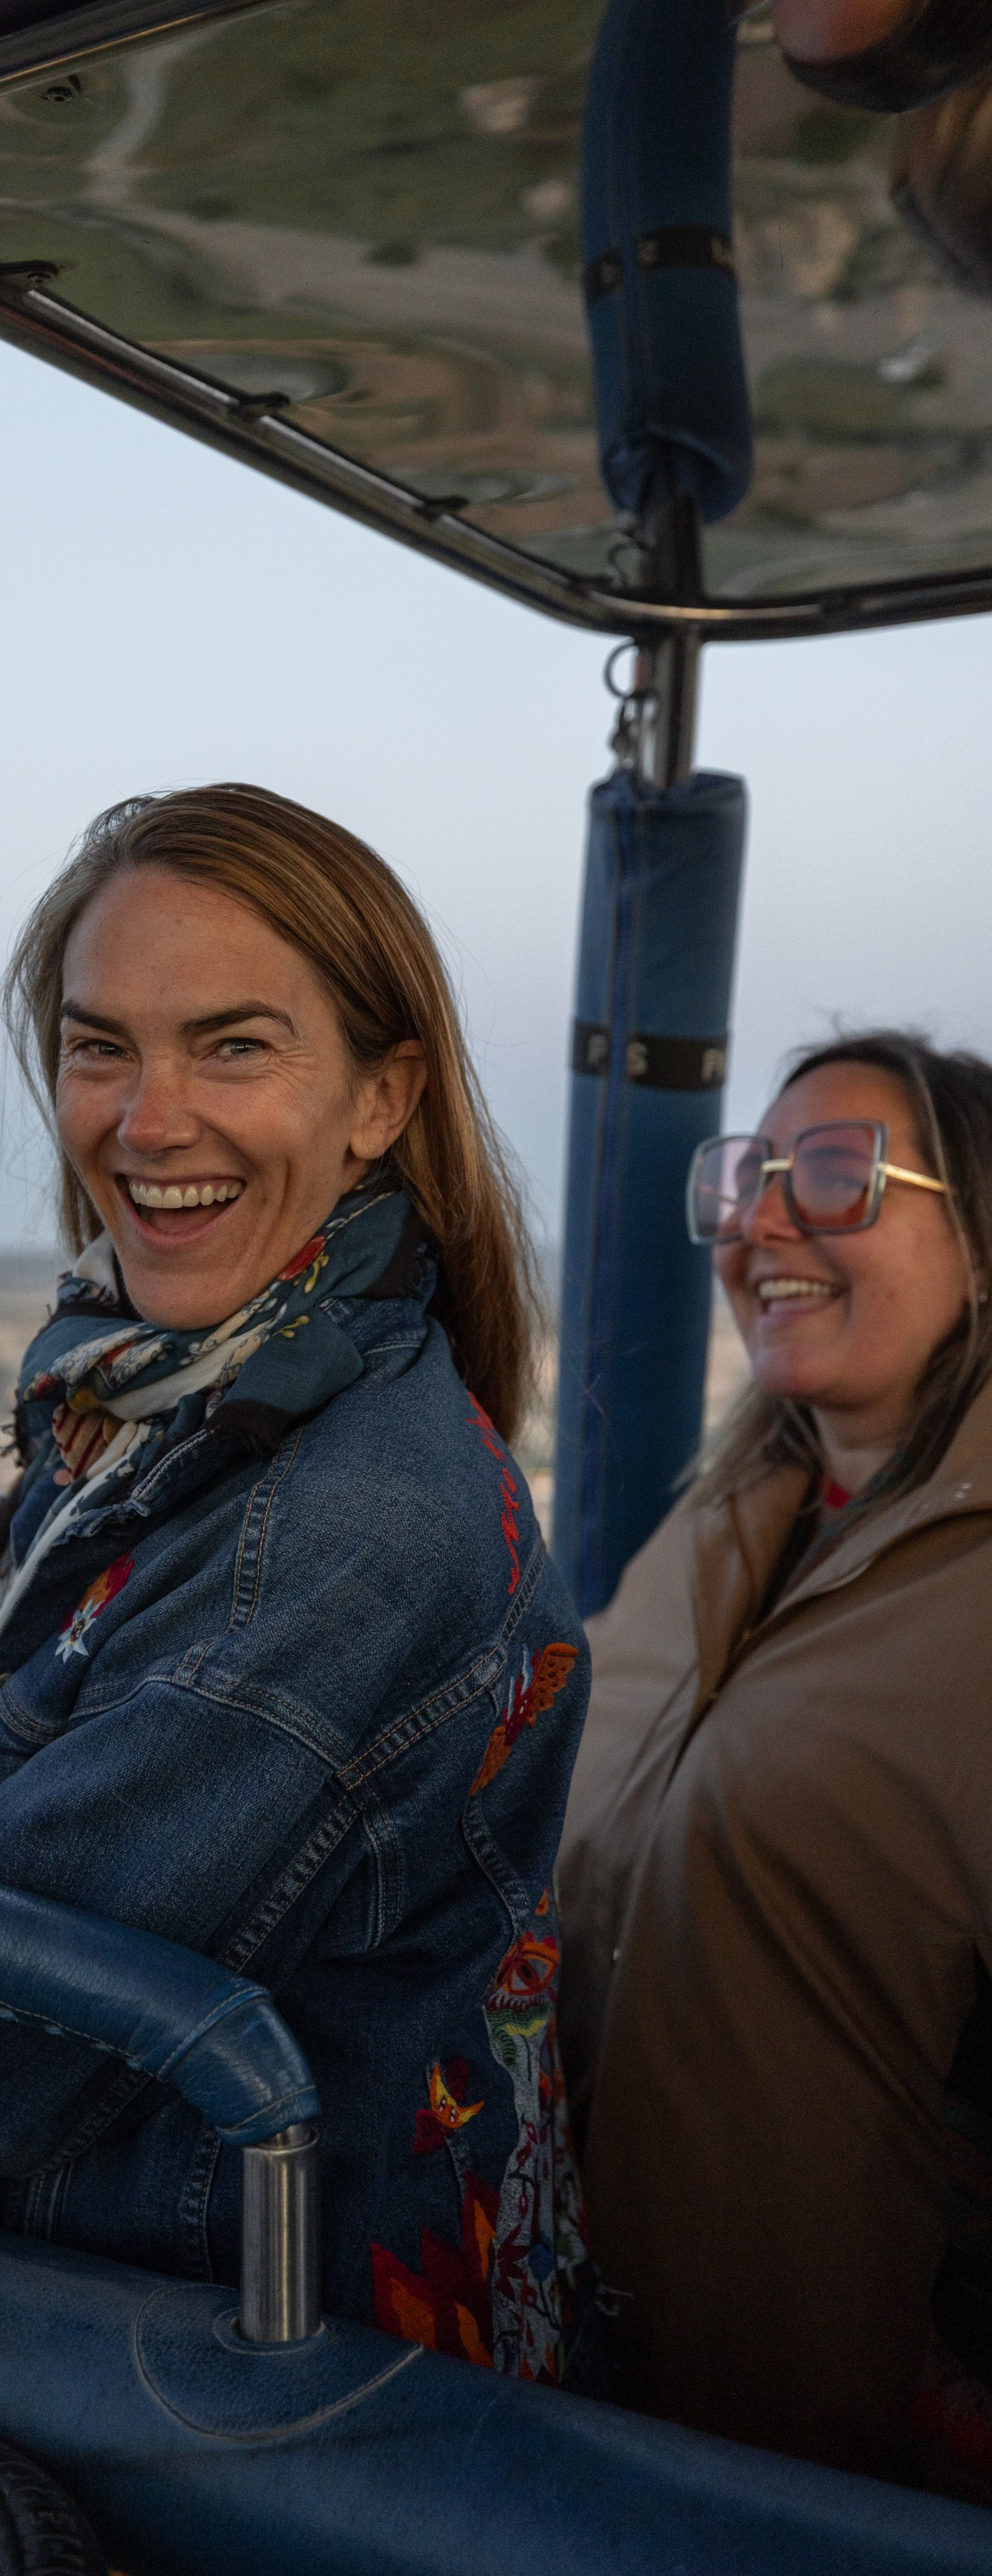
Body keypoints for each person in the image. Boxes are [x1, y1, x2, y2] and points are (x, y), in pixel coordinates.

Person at [0, 782, 592, 2377]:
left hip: (272, 2403)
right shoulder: (186, 1403)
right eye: (100, 1047)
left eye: (232, 1046)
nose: (148, 1123)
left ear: (378, 1099)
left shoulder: (346, 1513)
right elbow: (103, 1910)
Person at [557, 1031, 992, 2487]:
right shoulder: (718, 1526)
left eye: (836, 1174)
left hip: (846, 2471)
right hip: (583, 2370)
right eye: (748, 1178)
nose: (761, 1220)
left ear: (981, 1241)